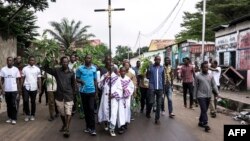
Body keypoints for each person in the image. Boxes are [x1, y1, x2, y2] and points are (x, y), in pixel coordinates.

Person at [44, 56, 76, 137]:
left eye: (66, 62)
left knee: (68, 112)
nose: (65, 63)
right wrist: (47, 60)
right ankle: (64, 125)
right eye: (63, 62)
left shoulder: (71, 73)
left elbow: (73, 84)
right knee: (62, 112)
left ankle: (67, 129)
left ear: (68, 62)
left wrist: (73, 94)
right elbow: (46, 69)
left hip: (68, 95)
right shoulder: (57, 71)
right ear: (61, 63)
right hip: (59, 95)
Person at [98, 62, 123, 137]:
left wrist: (114, 94)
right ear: (107, 67)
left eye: (112, 66)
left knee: (113, 113)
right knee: (105, 112)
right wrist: (105, 78)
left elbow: (120, 89)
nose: (111, 67)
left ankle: (112, 129)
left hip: (113, 99)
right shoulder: (104, 76)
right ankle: (106, 124)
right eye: (109, 66)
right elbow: (100, 86)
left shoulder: (117, 78)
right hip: (105, 98)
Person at [194, 61, 219, 132]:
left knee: (204, 110)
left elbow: (214, 85)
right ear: (201, 68)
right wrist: (194, 97)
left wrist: (217, 92)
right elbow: (195, 87)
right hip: (200, 95)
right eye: (204, 67)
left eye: (207, 67)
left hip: (208, 96)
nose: (206, 68)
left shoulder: (210, 76)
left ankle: (200, 122)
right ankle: (205, 123)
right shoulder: (198, 76)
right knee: (204, 109)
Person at [76, 55, 97, 136]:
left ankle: (93, 128)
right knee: (86, 110)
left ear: (91, 59)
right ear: (84, 59)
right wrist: (81, 81)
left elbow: (95, 80)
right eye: (87, 58)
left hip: (92, 91)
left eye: (90, 58)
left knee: (91, 109)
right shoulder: (80, 68)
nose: (89, 59)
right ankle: (88, 126)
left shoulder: (94, 68)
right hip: (83, 92)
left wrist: (96, 92)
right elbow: (77, 78)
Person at [0, 57, 21, 125]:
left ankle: (14, 118)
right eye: (8, 60)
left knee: (13, 104)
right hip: (6, 90)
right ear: (6, 61)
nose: (9, 62)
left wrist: (18, 90)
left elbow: (17, 80)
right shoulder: (3, 69)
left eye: (11, 60)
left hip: (14, 90)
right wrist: (2, 89)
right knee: (8, 105)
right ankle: (9, 117)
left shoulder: (16, 69)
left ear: (13, 62)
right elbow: (1, 80)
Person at [21, 56, 42, 122]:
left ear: (34, 61)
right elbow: (22, 78)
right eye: (30, 60)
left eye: (33, 60)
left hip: (34, 87)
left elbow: (39, 79)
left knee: (33, 102)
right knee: (26, 100)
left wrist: (40, 88)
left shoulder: (37, 69)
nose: (31, 61)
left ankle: (32, 114)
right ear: (28, 61)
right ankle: (27, 114)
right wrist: (21, 87)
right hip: (26, 87)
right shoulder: (24, 69)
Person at [146, 56, 165, 124]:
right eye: (157, 59)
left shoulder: (162, 68)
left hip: (160, 88)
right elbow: (147, 77)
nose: (158, 61)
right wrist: (148, 71)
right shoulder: (151, 67)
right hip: (152, 87)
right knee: (151, 102)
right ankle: (148, 112)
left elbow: (163, 79)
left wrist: (163, 89)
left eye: (159, 60)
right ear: (154, 60)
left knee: (159, 104)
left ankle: (157, 119)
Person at [118, 67, 135, 134]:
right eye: (121, 71)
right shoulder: (117, 79)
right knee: (120, 111)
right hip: (120, 98)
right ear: (119, 72)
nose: (123, 73)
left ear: (125, 72)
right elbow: (116, 88)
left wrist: (127, 92)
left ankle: (125, 123)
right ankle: (121, 126)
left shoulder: (128, 79)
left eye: (124, 71)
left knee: (126, 111)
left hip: (127, 98)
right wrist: (121, 90)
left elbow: (131, 87)